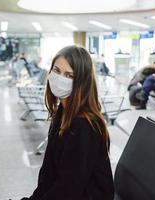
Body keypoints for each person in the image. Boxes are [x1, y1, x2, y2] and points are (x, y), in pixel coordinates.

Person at [21, 46, 114, 200]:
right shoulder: (62, 113)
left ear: (81, 82)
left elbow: (68, 189)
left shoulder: (85, 125)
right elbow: (49, 173)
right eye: (56, 71)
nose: (60, 78)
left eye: (69, 75)